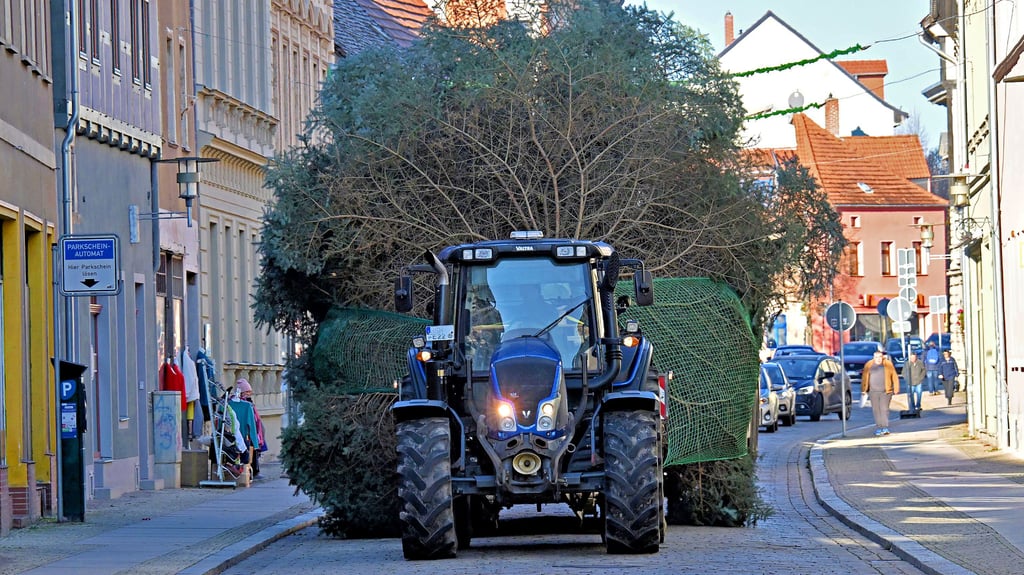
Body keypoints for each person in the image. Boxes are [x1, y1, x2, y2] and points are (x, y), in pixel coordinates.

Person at [862, 349, 899, 436]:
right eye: (876, 357)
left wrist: (896, 388)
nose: (878, 359)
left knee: (884, 409)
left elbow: (894, 376)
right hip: (873, 391)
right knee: (876, 410)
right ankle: (879, 427)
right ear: (873, 358)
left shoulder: (887, 364)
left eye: (880, 357)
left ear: (882, 357)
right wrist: (863, 390)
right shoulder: (869, 365)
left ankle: (885, 427)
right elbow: (864, 378)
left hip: (886, 391)